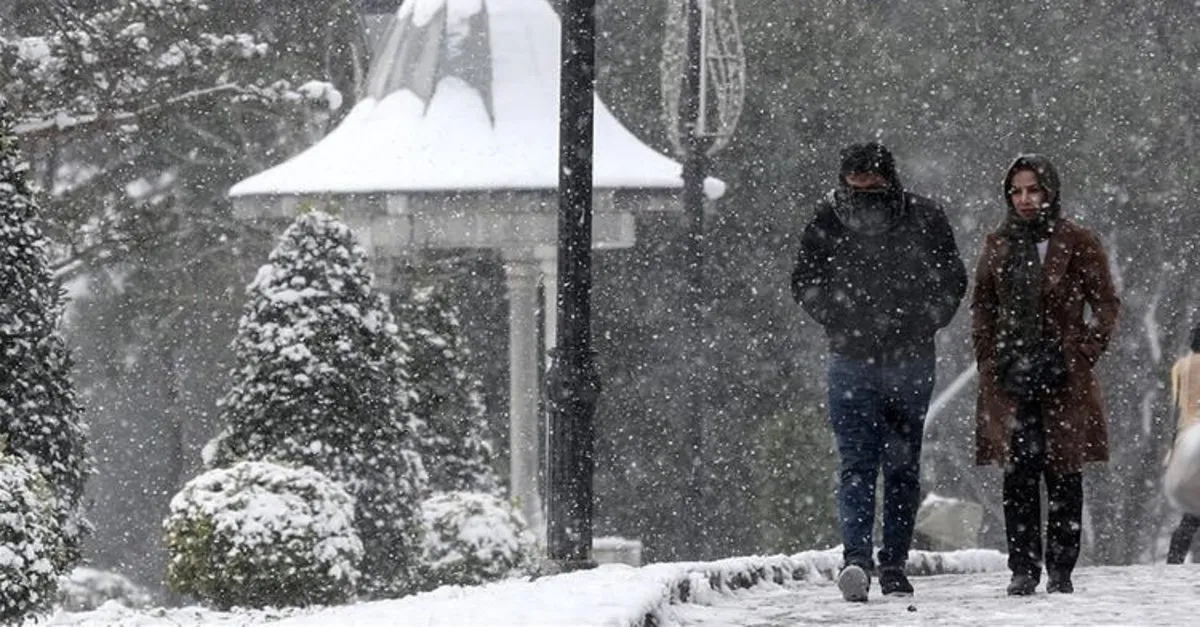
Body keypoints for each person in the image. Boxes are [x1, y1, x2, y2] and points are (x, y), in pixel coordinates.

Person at [791, 142, 967, 602]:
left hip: (901, 358)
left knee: (894, 465)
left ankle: (887, 561)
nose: (865, 195)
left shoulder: (924, 218)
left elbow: (952, 280)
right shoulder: (830, 219)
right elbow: (805, 280)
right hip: (857, 357)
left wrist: (920, 320)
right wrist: (843, 317)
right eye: (857, 186)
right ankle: (861, 560)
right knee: (865, 464)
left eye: (872, 185)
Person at [971, 154, 1120, 596]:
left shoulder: (1077, 240)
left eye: (1033, 189)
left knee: (1063, 472)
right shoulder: (997, 243)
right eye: (1016, 191)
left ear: (1049, 191)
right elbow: (983, 305)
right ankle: (1023, 568)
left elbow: (1107, 303)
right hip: (1011, 376)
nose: (1025, 199)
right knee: (1018, 474)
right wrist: (989, 358)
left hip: (1063, 376)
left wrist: (1084, 350)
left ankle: (1061, 569)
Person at [1166, 324, 1200, 564]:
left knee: (1192, 510)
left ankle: (1175, 559)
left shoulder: (1182, 367)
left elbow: (1178, 408)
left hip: (1187, 438)